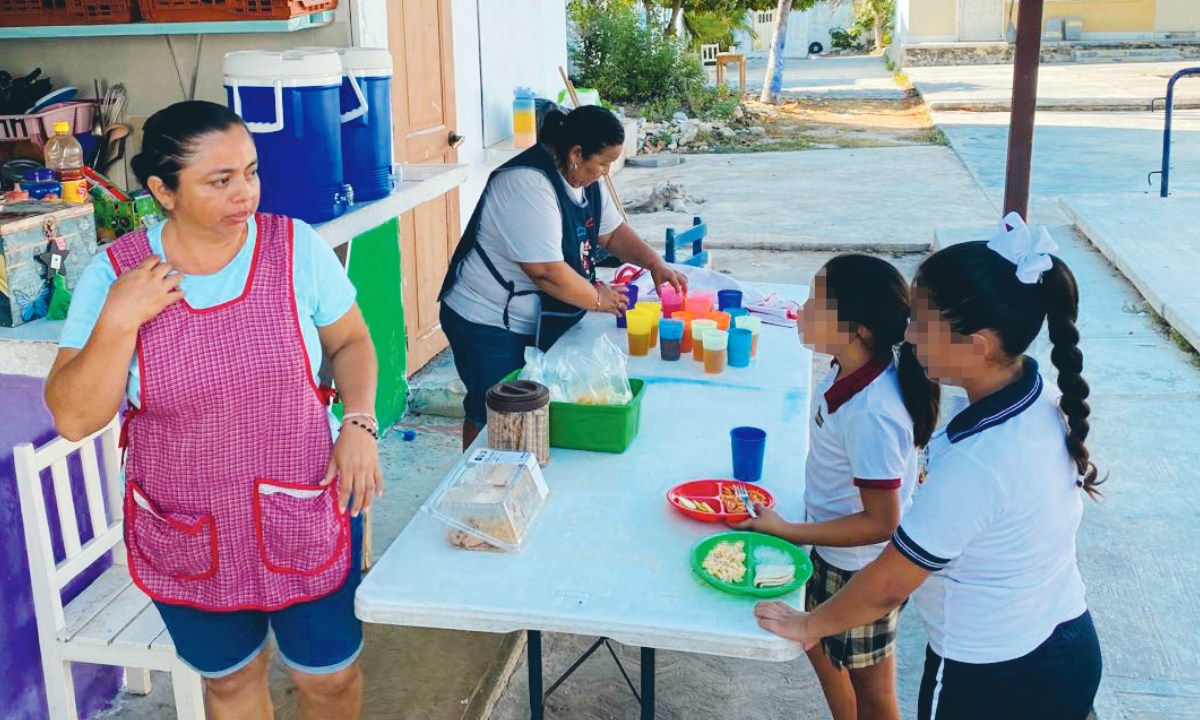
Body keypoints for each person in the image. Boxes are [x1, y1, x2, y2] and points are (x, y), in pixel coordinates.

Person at [44, 101, 381, 720]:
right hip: (188, 522)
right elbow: (73, 417)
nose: (245, 193)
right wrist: (121, 318)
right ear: (162, 191)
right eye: (220, 180)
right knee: (229, 683)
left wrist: (359, 421)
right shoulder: (115, 276)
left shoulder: (294, 247)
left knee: (330, 679)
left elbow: (351, 341)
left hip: (304, 501)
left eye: (250, 172)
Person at [755, 223, 1103, 720]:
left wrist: (810, 625)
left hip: (993, 675)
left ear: (978, 344)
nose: (909, 334)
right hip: (1066, 641)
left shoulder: (978, 462)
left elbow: (891, 582)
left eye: (922, 321)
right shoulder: (1039, 396)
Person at [736, 254, 939, 720]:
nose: (803, 309)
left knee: (874, 689)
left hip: (859, 570)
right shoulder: (845, 370)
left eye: (817, 303)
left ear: (859, 330)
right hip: (833, 552)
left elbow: (881, 522)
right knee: (822, 648)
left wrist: (788, 531)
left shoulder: (874, 412)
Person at [438, 104, 687, 448]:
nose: (606, 172)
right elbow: (546, 273)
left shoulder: (585, 180)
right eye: (602, 163)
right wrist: (598, 299)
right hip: (487, 318)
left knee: (531, 412)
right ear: (575, 153)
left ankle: (518, 474)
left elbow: (612, 234)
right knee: (494, 414)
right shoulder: (527, 183)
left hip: (535, 315)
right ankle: (477, 484)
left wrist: (654, 264)